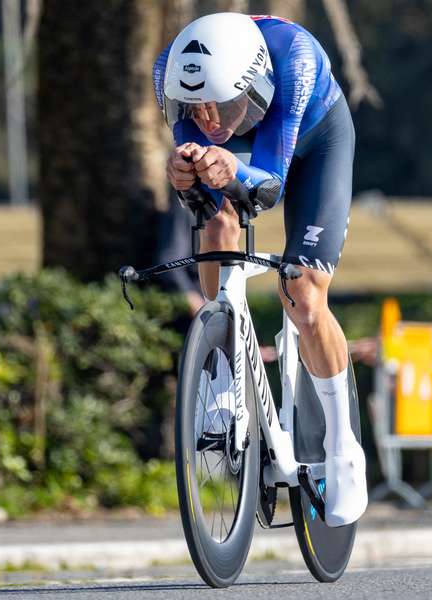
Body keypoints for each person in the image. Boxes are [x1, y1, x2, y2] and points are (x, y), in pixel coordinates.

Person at [153, 12, 365, 526]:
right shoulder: (172, 70)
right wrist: (186, 175)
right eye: (193, 108)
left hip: (314, 139)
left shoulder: (294, 59)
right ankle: (224, 362)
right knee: (216, 221)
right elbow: (201, 183)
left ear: (252, 83)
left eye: (220, 105)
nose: (207, 119)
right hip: (246, 147)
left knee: (305, 295)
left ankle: (344, 447)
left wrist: (228, 167)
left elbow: (268, 184)